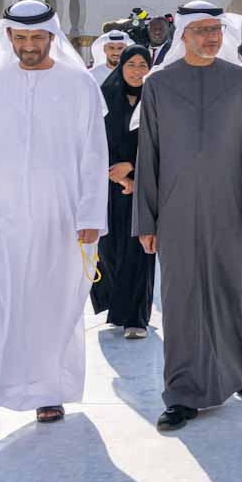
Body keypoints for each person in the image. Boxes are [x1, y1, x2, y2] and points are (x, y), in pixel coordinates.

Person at [0, 0, 107, 441]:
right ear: (9, 38)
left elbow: (95, 154)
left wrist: (91, 214)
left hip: (62, 218)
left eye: (37, 38)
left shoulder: (78, 85)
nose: (29, 46)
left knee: (51, 306)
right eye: (20, 38)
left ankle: (48, 390)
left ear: (51, 38)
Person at [134, 1, 242, 432]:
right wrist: (146, 219)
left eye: (216, 30)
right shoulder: (158, 85)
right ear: (184, 36)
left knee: (236, 289)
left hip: (229, 206)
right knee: (181, 300)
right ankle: (182, 392)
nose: (210, 38)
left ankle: (241, 365)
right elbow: (148, 155)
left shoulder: (240, 81)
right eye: (201, 31)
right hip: (175, 211)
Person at [93, 45, 156, 337]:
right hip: (107, 185)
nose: (137, 71)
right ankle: (116, 307)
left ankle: (136, 318)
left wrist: (133, 171)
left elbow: (164, 144)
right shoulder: (105, 98)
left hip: (144, 187)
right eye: (131, 64)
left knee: (139, 249)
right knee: (109, 248)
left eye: (143, 65)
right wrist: (116, 174)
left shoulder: (157, 99)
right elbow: (91, 140)